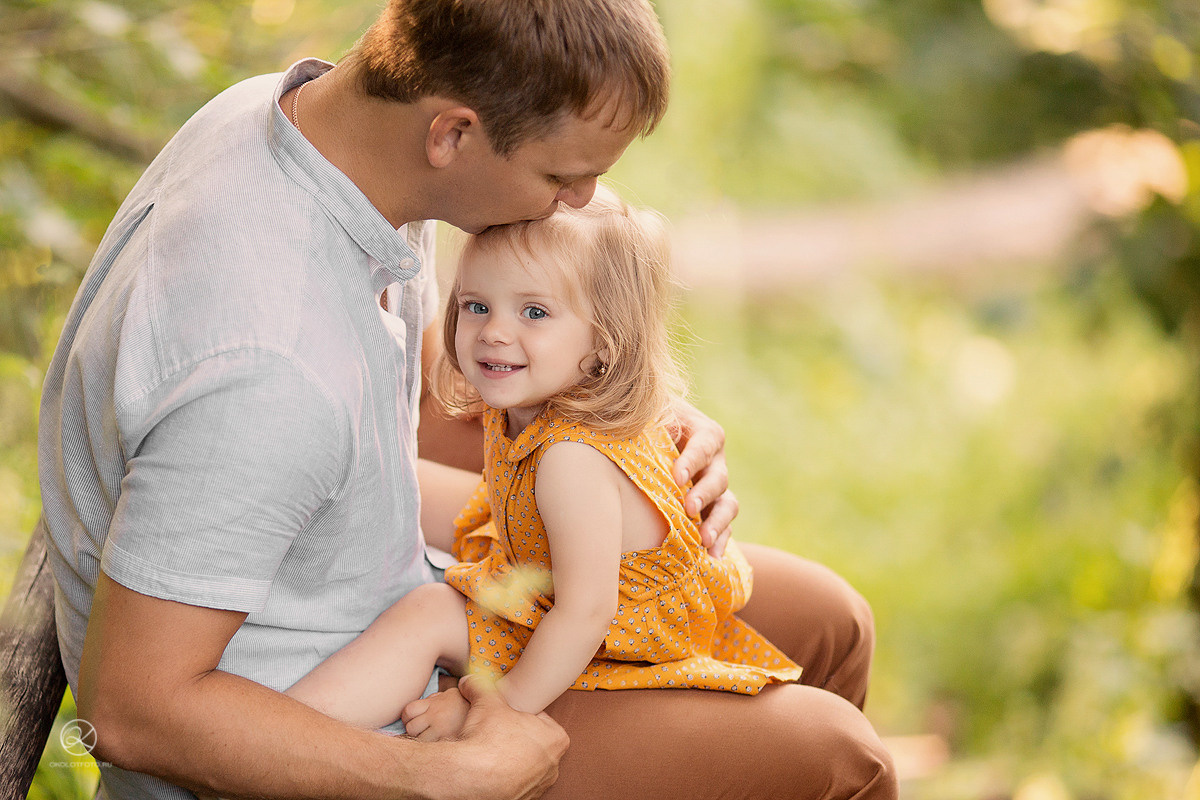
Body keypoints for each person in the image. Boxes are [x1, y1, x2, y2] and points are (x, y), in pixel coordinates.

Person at [36, 0, 897, 798]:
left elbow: (377, 405)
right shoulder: (262, 362)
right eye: (562, 176)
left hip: (415, 592)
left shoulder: (315, 134)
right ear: (452, 133)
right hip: (326, 727)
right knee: (836, 759)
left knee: (830, 620)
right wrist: (439, 776)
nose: (581, 201)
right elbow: (130, 713)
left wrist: (622, 413)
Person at [281, 187, 805, 738]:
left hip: (614, 624)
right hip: (551, 553)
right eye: (476, 305)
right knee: (393, 483)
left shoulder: (570, 459)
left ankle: (276, 744)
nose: (494, 332)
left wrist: (494, 705)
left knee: (428, 615)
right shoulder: (535, 397)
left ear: (605, 341)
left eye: (534, 312)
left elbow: (585, 614)